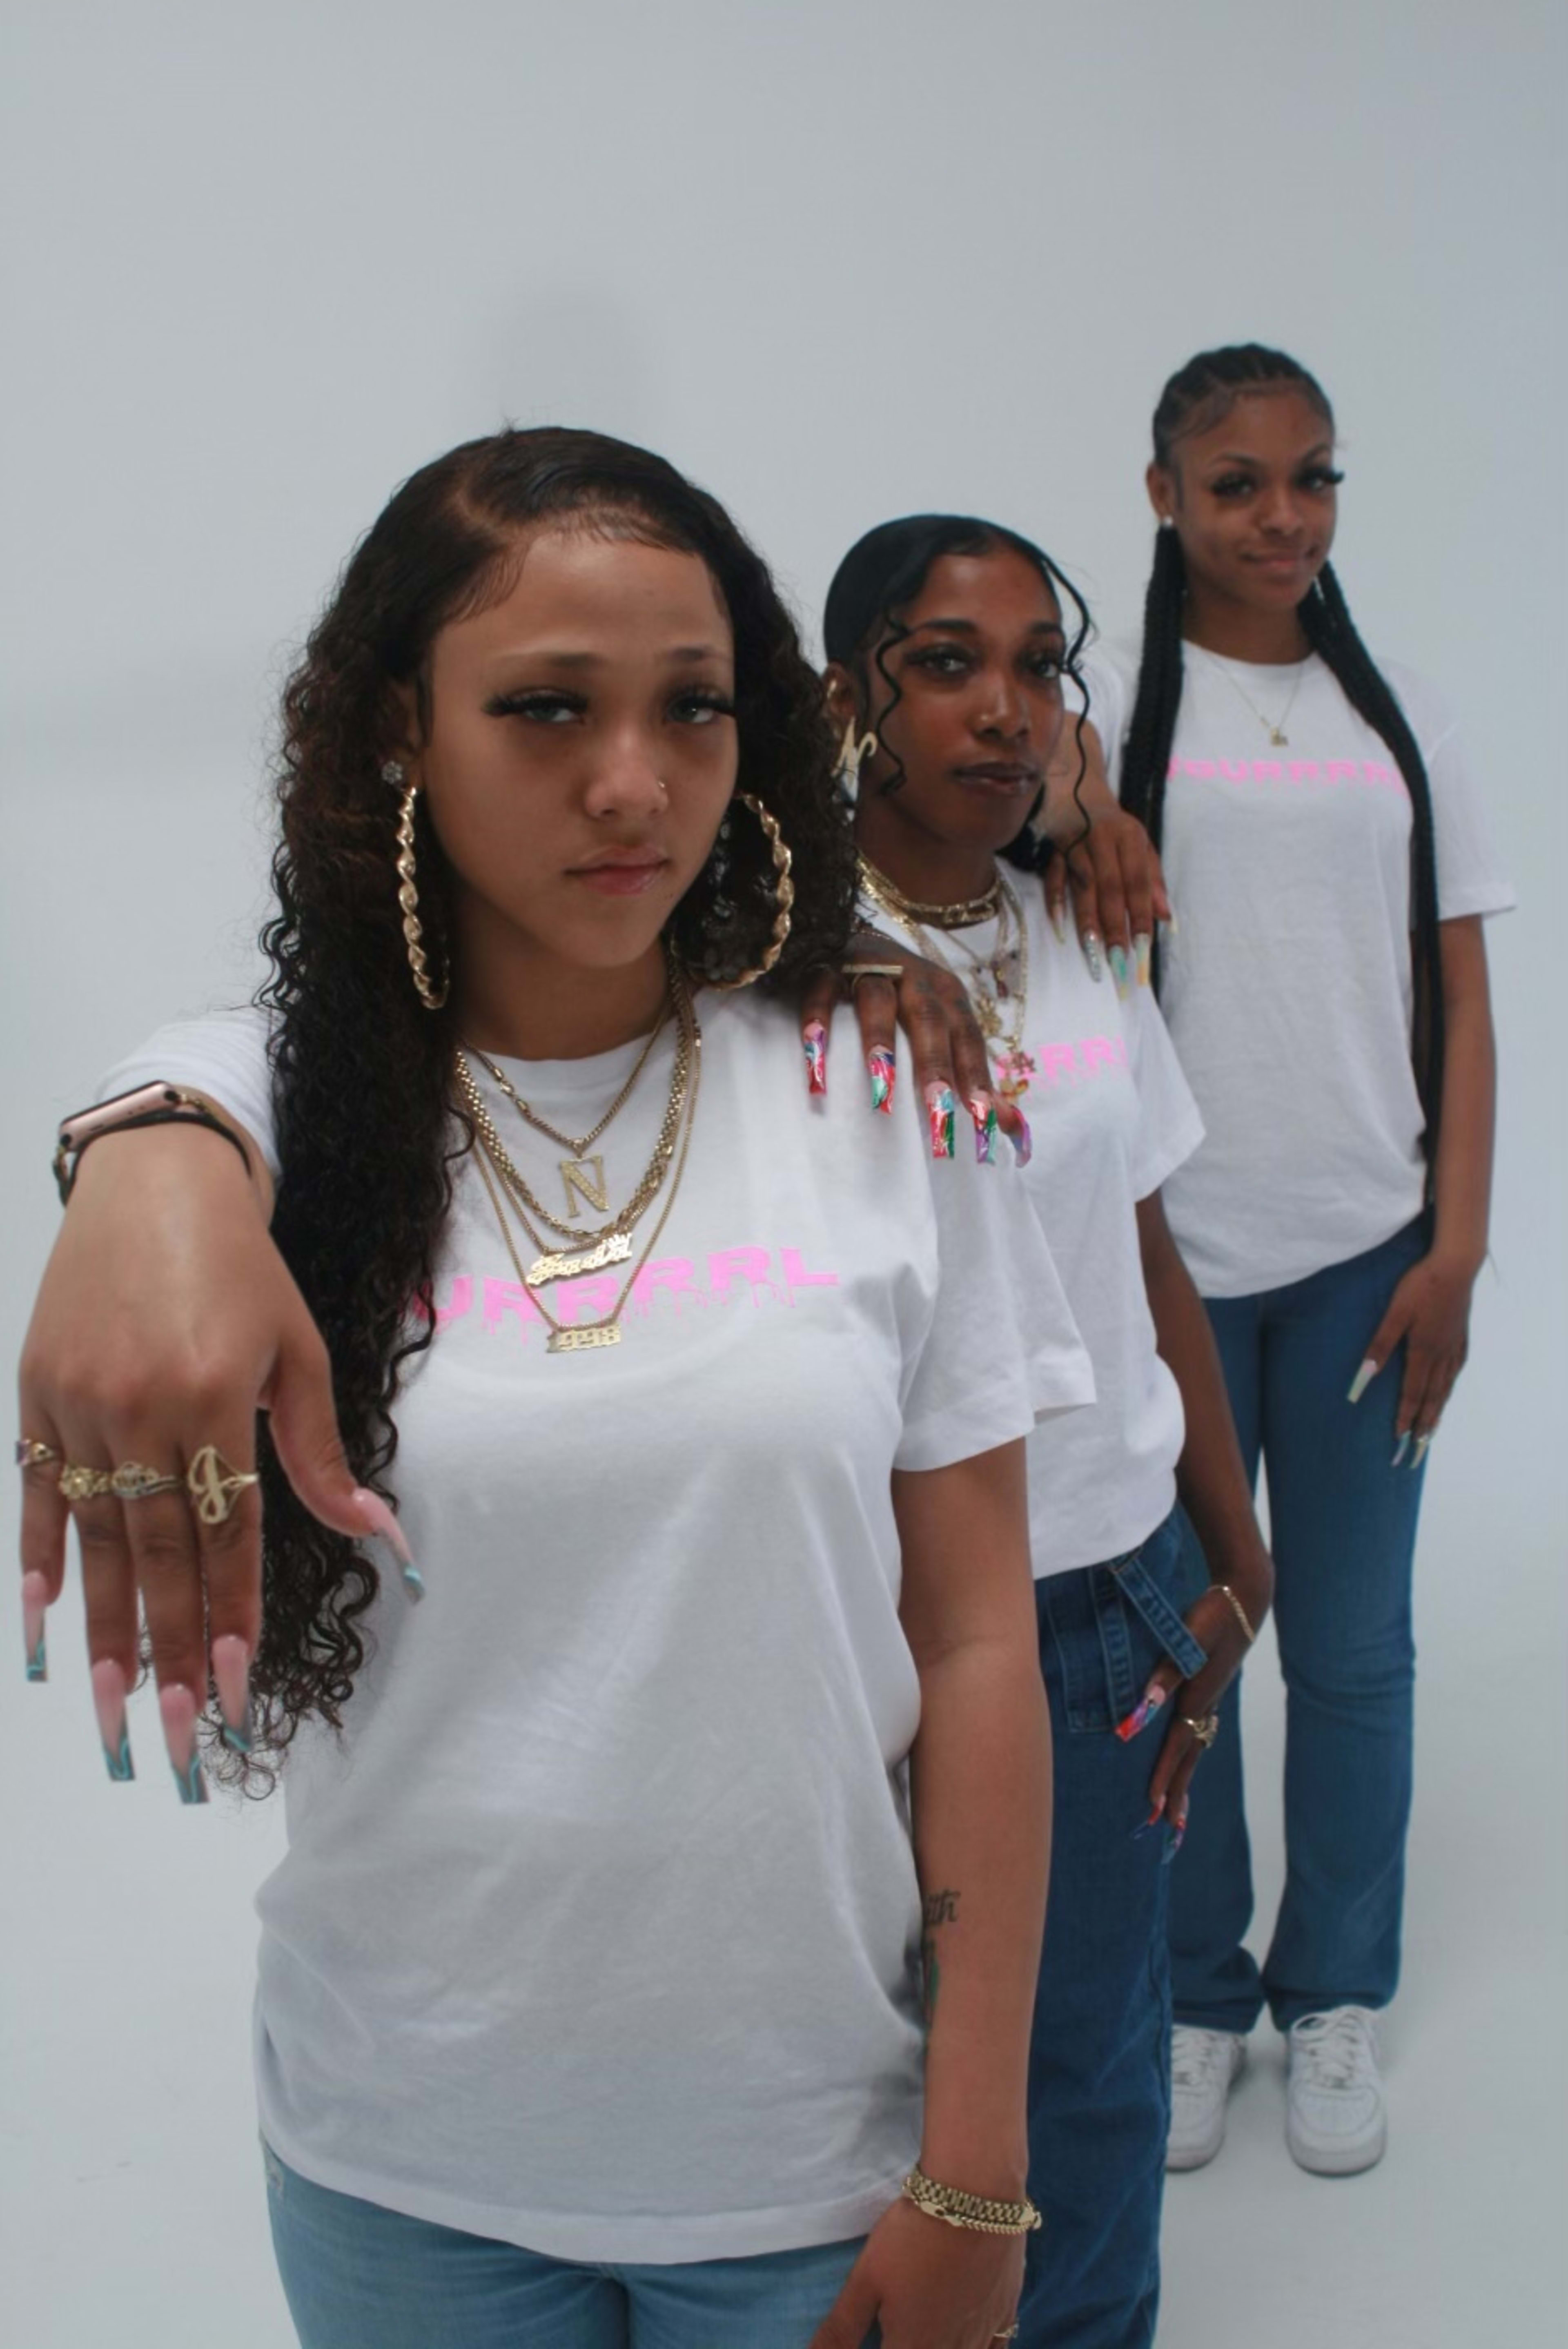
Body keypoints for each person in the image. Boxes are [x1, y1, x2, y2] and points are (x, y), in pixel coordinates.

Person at [17, 427, 1100, 2349]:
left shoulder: (886, 1092)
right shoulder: (279, 1111)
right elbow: (198, 1084)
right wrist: (139, 1159)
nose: (635, 785)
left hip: (802, 2167)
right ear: (394, 740)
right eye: (543, 709)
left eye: (694, 709)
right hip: (399, 2169)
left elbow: (981, 1645)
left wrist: (975, 2165)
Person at [1050, 345, 1514, 2177]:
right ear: (1163, 495)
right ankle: (1191, 1993)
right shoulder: (1105, 735)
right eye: (1237, 482)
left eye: (1313, 478)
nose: (1282, 516)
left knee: (1359, 1648)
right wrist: (1083, 817)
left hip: (1362, 1257)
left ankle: (1329, 1995)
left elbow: (1467, 1005)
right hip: (1165, 1261)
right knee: (1182, 1645)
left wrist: (1457, 1249)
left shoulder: (1398, 727)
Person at [821, 514, 1273, 2349]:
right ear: (856, 692)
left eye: (1037, 666)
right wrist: (836, 941)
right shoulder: (771, 957)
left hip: (1103, 1596)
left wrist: (1237, 1565)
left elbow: (1148, 1250)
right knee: (866, 2101)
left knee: (1084, 2092)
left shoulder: (1077, 923)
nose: (1004, 710)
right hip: (869, 1619)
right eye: (948, 661)